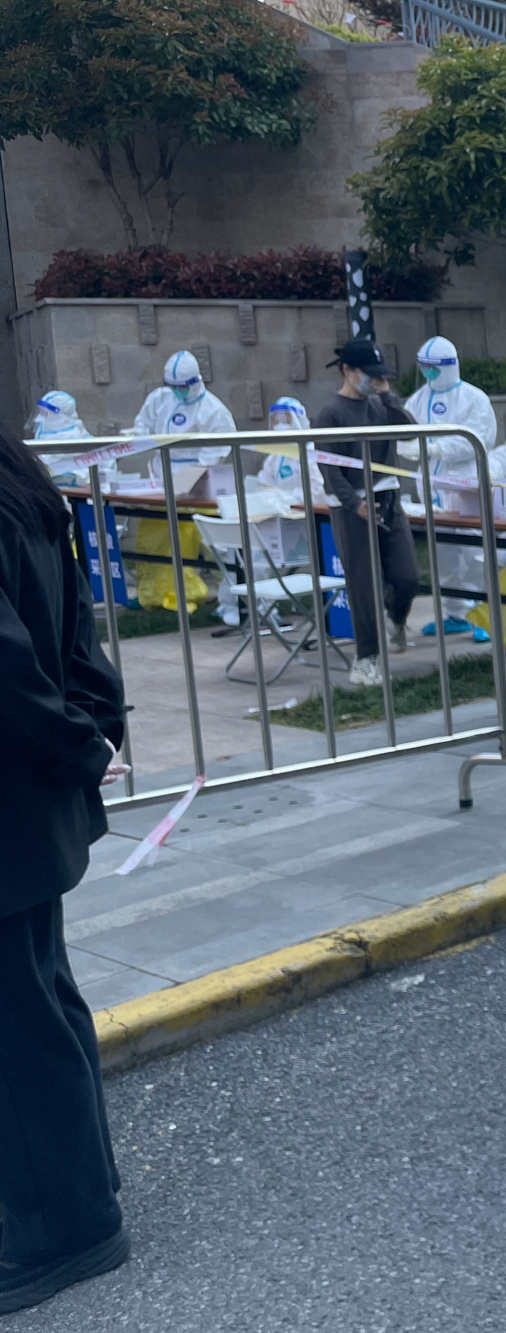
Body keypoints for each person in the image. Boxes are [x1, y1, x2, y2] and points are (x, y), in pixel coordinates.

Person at [0, 429, 130, 1314]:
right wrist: (90, 734)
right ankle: (78, 1187)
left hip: (10, 785)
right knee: (39, 995)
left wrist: (81, 742)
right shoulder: (21, 480)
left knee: (18, 1019)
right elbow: (75, 636)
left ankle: (65, 1225)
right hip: (28, 793)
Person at [315, 338, 420, 688]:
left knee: (407, 575)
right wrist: (354, 503)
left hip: (388, 498)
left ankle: (396, 618)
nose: (374, 380)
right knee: (363, 585)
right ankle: (366, 658)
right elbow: (330, 469)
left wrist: (388, 395)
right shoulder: (331, 414)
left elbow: (409, 430)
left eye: (379, 374)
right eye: (368, 374)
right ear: (347, 370)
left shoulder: (379, 406)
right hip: (352, 508)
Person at [399, 336, 497, 641]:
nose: (428, 373)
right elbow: (403, 430)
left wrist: (438, 448)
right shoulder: (418, 399)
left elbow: (480, 438)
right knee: (443, 554)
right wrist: (407, 446)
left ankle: (484, 614)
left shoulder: (473, 399)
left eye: (434, 367)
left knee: (475, 553)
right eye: (424, 367)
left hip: (465, 485)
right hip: (430, 487)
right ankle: (456, 613)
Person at [135, 349, 237, 482]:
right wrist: (138, 434)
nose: (177, 391)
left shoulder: (213, 410)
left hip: (195, 475)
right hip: (160, 471)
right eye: (173, 386)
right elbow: (143, 424)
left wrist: (193, 477)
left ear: (195, 383)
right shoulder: (160, 399)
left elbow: (218, 448)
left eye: (182, 387)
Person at [31, 391, 90, 484]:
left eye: (44, 413)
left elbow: (48, 461)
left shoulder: (70, 436)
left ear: (56, 414)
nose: (39, 417)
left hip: (68, 480)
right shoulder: (48, 432)